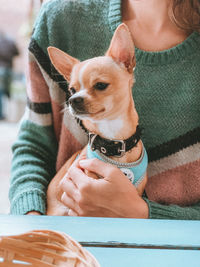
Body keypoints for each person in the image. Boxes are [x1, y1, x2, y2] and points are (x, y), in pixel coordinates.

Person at [9, 0, 200, 219]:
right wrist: (32, 222)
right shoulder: (60, 18)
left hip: (184, 249)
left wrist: (142, 214)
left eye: (100, 86)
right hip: (64, 240)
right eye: (73, 92)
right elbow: (33, 145)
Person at [0, 31, 19, 119]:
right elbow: (17, 53)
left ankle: (1, 114)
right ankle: (11, 113)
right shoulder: (10, 42)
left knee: (1, 92)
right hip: (9, 69)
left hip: (1, 69)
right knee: (9, 92)